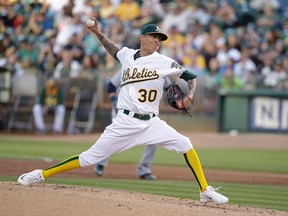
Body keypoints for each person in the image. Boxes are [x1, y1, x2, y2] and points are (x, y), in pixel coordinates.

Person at [17, 21, 229, 205]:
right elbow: (113, 50)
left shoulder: (164, 62)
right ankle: (40, 174)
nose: (157, 41)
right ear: (142, 37)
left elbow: (190, 76)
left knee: (185, 144)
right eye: (154, 36)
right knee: (89, 157)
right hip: (124, 121)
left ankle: (204, 190)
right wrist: (98, 34)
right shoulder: (127, 55)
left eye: (160, 38)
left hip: (151, 123)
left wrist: (190, 94)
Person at [95, 70, 172, 180]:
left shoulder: (158, 69)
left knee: (153, 139)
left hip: (146, 113)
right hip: (123, 112)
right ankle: (101, 162)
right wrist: (113, 100)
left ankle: (144, 169)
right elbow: (111, 86)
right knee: (115, 139)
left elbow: (168, 87)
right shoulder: (128, 67)